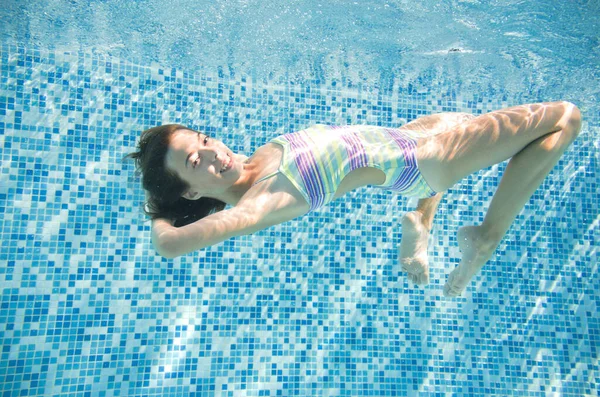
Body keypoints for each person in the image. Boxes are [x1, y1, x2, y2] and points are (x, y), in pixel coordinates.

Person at [126, 101, 582, 297]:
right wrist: (162, 213)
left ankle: (421, 232)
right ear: (190, 189)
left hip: (402, 141)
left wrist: (174, 178)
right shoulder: (255, 205)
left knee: (464, 118)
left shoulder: (256, 159)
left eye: (204, 140)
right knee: (564, 118)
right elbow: (168, 244)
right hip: (424, 160)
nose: (212, 152)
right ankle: (486, 238)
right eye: (193, 162)